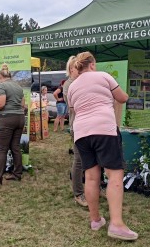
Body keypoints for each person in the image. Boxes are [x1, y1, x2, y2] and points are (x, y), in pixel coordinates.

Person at [67, 52, 137, 241]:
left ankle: (95, 219)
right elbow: (122, 98)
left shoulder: (72, 87)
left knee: (90, 177)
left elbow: (74, 109)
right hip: (104, 128)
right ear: (91, 64)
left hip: (81, 132)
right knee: (114, 173)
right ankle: (117, 224)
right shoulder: (104, 76)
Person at [0, 64, 25, 185]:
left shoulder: (2, 86)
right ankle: (17, 174)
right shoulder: (18, 86)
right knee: (15, 147)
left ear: (0, 76)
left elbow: (1, 103)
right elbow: (23, 104)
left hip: (7, 119)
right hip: (20, 118)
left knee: (2, 149)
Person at [62, 56, 87, 207]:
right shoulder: (69, 85)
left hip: (87, 125)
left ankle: (95, 188)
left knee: (91, 159)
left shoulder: (80, 82)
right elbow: (73, 107)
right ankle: (78, 193)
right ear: (72, 69)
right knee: (79, 160)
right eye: (78, 67)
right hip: (77, 126)